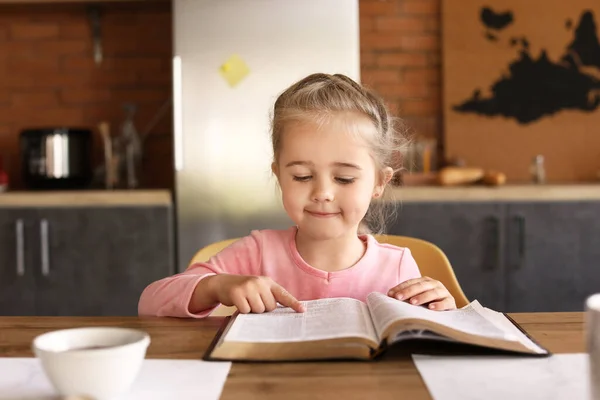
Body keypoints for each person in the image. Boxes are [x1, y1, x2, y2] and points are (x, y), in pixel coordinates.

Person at [138, 73, 456, 318]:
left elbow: (425, 342)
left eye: (344, 178)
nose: (322, 193)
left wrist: (443, 311)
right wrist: (217, 286)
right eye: (302, 176)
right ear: (279, 176)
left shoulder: (398, 266)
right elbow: (150, 302)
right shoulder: (255, 254)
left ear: (379, 182)